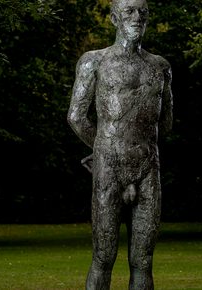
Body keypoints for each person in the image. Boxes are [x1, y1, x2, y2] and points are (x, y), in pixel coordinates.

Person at [67, 0, 173, 289]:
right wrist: (105, 149)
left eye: (143, 12)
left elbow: (165, 123)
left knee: (143, 261)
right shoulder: (95, 61)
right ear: (114, 18)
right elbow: (76, 116)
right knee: (103, 256)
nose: (137, 18)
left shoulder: (160, 67)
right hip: (109, 168)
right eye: (129, 11)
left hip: (149, 168)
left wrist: (134, 149)